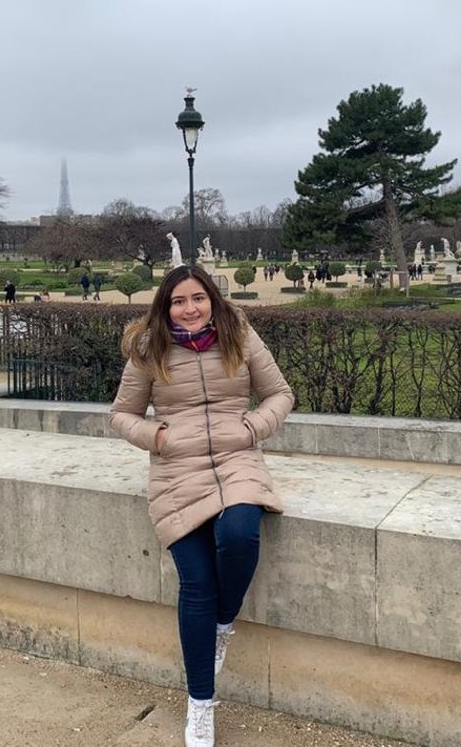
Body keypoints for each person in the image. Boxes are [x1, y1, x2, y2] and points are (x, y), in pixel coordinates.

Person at [110, 266, 293, 747]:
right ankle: (201, 706)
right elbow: (121, 414)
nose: (189, 308)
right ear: (164, 306)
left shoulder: (240, 334)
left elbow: (280, 394)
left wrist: (252, 428)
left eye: (197, 298)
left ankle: (222, 628)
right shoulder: (149, 348)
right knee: (195, 582)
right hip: (177, 469)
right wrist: (159, 436)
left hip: (237, 460)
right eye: (178, 301)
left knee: (239, 534)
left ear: (212, 299)